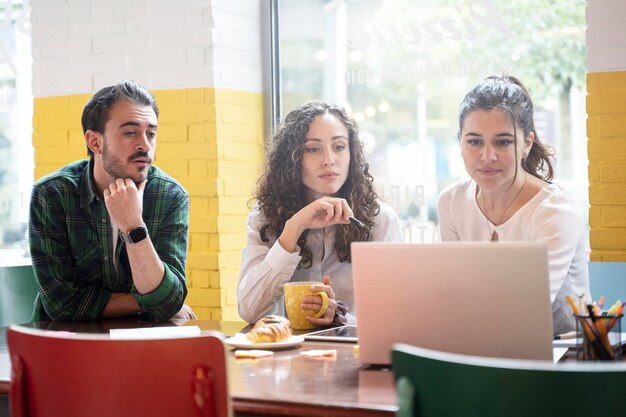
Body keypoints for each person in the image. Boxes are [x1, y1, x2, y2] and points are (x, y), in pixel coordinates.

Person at [29, 80, 195, 321]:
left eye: (151, 133)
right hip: (67, 342)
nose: (145, 145)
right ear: (94, 142)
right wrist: (148, 302)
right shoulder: (52, 194)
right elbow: (61, 304)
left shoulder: (170, 196)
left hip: (143, 343)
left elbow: (169, 300)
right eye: (130, 132)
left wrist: (133, 226)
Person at [438, 75, 589, 335]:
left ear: (527, 143)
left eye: (503, 142)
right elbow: (456, 293)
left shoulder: (556, 211)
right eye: (474, 141)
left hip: (562, 355)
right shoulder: (451, 202)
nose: (487, 156)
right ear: (460, 142)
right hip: (483, 343)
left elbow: (526, 312)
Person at [238, 101, 403, 326]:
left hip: (356, 355)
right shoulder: (265, 216)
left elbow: (393, 316)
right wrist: (293, 228)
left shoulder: (379, 219)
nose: (329, 160)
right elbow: (249, 309)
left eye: (339, 147)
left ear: (352, 154)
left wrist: (341, 318)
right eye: (313, 149)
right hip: (286, 355)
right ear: (292, 159)